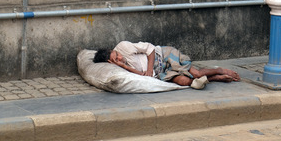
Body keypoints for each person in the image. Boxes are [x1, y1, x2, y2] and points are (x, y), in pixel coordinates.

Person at [93, 41, 240, 89]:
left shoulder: (124, 46)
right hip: (161, 71)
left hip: (163, 55)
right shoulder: (119, 70)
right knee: (185, 82)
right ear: (110, 63)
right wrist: (124, 66)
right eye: (116, 59)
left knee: (196, 75)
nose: (120, 57)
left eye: (116, 54)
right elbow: (144, 76)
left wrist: (150, 68)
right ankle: (215, 78)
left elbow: (149, 49)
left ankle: (219, 70)